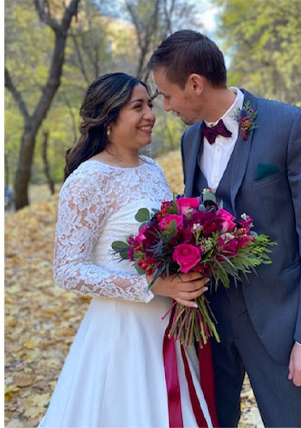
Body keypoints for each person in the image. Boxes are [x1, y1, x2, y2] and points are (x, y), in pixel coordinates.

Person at [148, 30, 301, 427]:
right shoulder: (189, 141)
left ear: (196, 84)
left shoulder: (290, 125)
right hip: (209, 326)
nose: (164, 106)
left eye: (167, 95)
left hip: (281, 325)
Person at [40, 72, 214, 427]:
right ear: (108, 118)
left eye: (150, 104)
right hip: (121, 333)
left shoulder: (152, 169)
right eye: (138, 106)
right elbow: (68, 270)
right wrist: (152, 285)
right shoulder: (88, 180)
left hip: (170, 325)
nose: (150, 114)